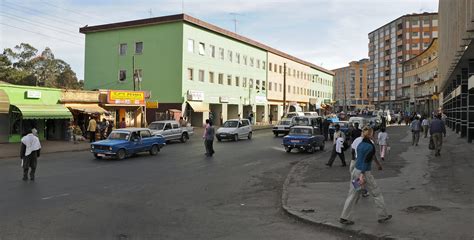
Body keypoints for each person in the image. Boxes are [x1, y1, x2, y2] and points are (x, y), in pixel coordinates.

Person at [340, 127, 391, 225]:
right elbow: (366, 161)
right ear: (371, 135)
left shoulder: (360, 144)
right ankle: (383, 216)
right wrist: (363, 175)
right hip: (364, 173)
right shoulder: (370, 146)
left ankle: (344, 217)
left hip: (356, 171)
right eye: (373, 134)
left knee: (353, 194)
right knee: (377, 194)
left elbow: (359, 158)